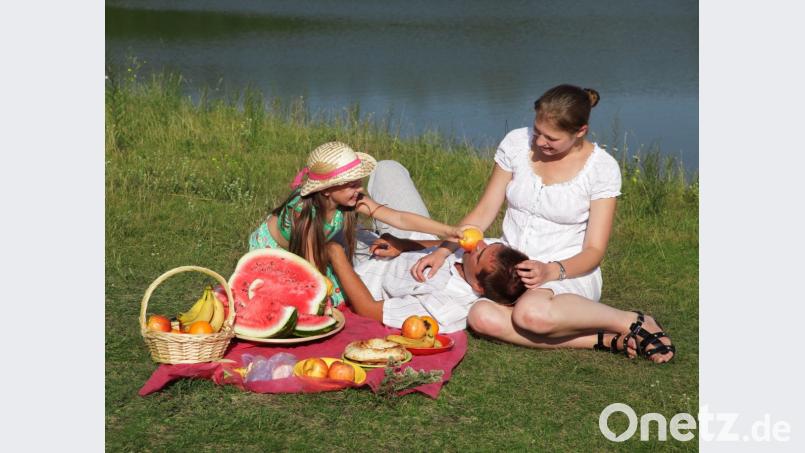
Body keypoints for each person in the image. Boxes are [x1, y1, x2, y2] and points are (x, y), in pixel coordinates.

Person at [410, 84, 675, 362]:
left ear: (580, 132)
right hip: (508, 272)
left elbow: (594, 250)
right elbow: (485, 210)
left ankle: (632, 321)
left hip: (567, 273)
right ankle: (605, 341)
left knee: (530, 314)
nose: (539, 142)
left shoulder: (601, 168)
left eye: (551, 138)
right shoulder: (515, 143)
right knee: (481, 317)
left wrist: (550, 271)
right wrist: (443, 251)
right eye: (537, 131)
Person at [248, 141, 464, 307]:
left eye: (358, 182)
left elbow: (399, 218)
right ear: (326, 189)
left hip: (320, 243)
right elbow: (311, 265)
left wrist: (447, 231)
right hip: (276, 251)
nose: (358, 189)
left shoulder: (351, 199)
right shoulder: (303, 213)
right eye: (350, 184)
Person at [327, 236, 528, 333]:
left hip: (355, 269)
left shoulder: (443, 305)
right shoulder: (472, 261)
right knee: (389, 169)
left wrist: (336, 254)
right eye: (488, 244)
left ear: (478, 286)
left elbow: (367, 309)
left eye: (480, 253)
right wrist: (403, 244)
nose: (478, 244)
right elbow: (440, 244)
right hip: (397, 240)